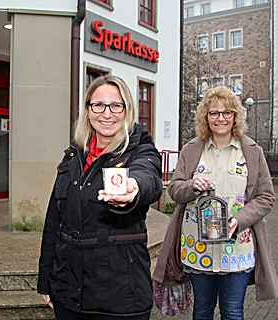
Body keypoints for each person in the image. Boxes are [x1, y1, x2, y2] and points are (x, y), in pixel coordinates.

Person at [37, 75, 163, 319]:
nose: (107, 114)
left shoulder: (141, 150)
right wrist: (46, 281)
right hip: (69, 293)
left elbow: (148, 176)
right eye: (99, 105)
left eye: (116, 105)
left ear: (127, 110)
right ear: (88, 110)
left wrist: (133, 188)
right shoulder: (73, 157)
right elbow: (54, 222)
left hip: (121, 297)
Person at [152, 86, 278, 319]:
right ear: (205, 117)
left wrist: (239, 220)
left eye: (226, 113)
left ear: (235, 116)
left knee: (232, 311)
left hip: (237, 246)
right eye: (214, 113)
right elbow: (176, 190)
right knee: (202, 311)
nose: (220, 118)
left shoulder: (252, 151)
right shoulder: (191, 150)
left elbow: (266, 197)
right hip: (198, 248)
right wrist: (192, 185)